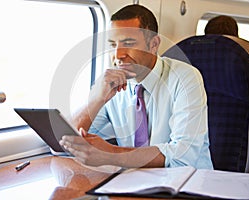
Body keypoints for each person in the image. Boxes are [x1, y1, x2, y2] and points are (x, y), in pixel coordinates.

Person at [59, 4, 213, 169]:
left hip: (188, 184)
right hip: (133, 182)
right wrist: (96, 99)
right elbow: (65, 141)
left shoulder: (185, 77)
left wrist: (110, 153)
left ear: (153, 44)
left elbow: (183, 157)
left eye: (128, 43)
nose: (118, 55)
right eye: (113, 45)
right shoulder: (111, 83)